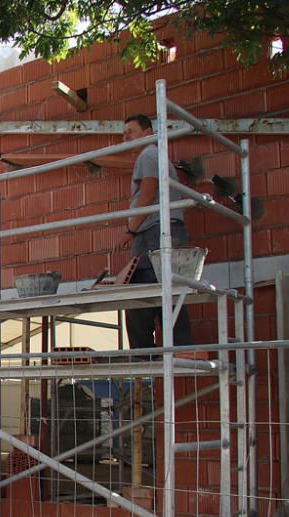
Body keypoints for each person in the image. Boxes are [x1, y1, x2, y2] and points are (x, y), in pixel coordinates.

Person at [122, 113, 193, 350]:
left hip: (154, 232)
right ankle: (180, 347)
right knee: (168, 292)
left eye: (130, 132)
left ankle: (142, 355)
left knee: (139, 293)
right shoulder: (155, 155)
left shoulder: (148, 153)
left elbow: (148, 193)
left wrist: (131, 229)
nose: (126, 138)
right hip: (163, 230)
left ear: (147, 132)